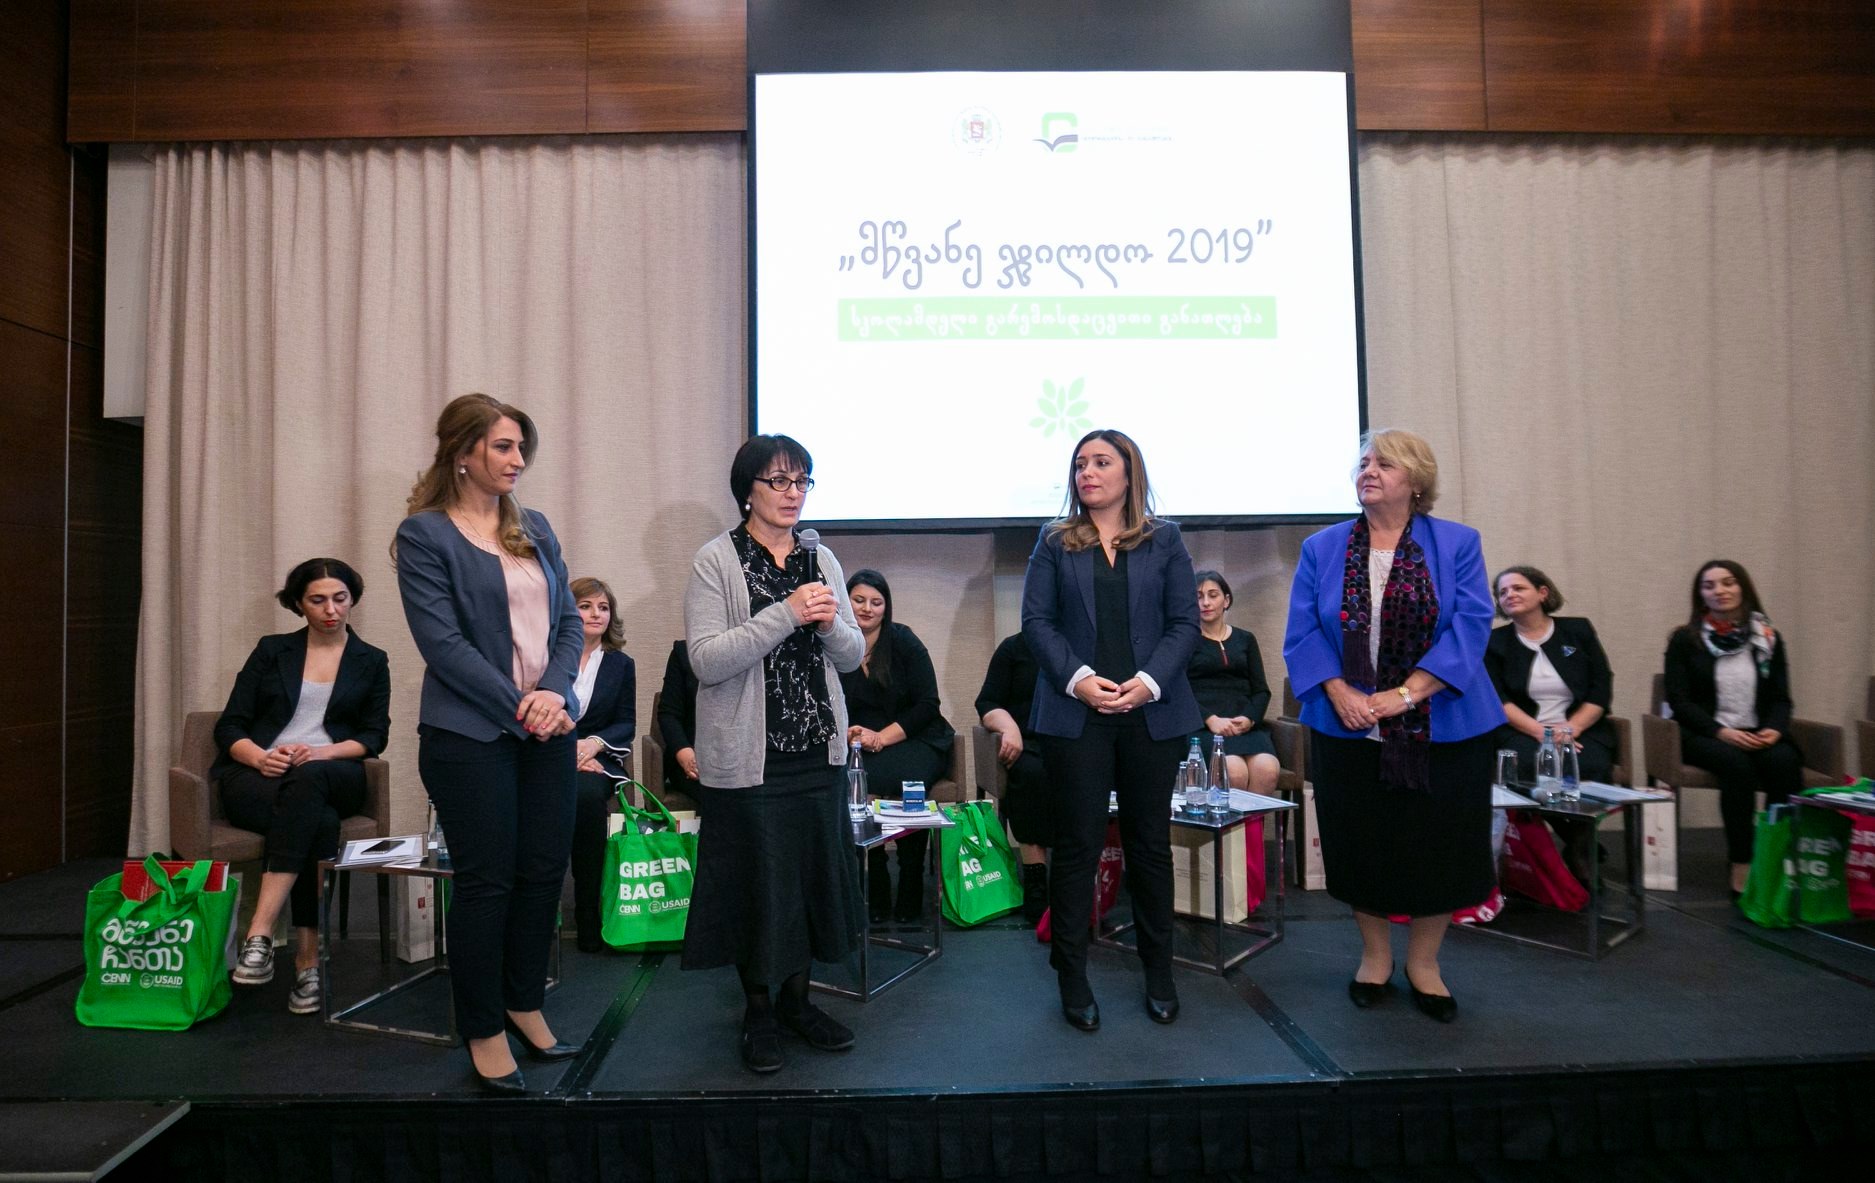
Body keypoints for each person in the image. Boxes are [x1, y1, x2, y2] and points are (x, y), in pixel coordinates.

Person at [394, 393, 583, 1094]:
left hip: (546, 728)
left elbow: (569, 623)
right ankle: (482, 1026)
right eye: (503, 446)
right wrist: (523, 708)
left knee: (542, 873)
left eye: (520, 447)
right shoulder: (425, 534)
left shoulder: (533, 526)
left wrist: (555, 694)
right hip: (469, 736)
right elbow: (443, 646)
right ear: (462, 453)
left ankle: (522, 1002)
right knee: (488, 881)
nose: (517, 459)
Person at [1282, 428, 1502, 1024]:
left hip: (1444, 725)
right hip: (1348, 724)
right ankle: (1375, 958)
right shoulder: (1322, 547)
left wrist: (1406, 695)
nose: (1368, 471)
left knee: (1438, 849)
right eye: (1363, 462)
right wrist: (1339, 691)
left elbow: (1472, 625)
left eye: (1384, 463)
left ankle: (1424, 965)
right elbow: (1302, 633)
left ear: (1417, 480)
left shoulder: (1457, 543)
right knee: (1364, 845)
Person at [681, 434, 867, 1074]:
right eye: (779, 481)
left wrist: (831, 623)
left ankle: (798, 1004)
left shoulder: (822, 557)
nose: (793, 494)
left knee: (811, 883)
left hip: (816, 752)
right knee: (757, 890)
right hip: (748, 758)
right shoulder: (716, 560)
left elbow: (852, 657)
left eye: (802, 481)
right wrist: (786, 613)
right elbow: (706, 660)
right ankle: (758, 1013)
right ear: (747, 490)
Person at [1022, 428, 1201, 1031]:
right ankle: (1072, 976)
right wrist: (1078, 680)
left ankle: (1159, 972)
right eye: (1080, 464)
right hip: (1077, 714)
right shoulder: (1054, 541)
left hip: (1152, 713)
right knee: (1078, 847)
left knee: (1150, 847)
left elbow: (1184, 624)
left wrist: (1148, 682)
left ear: (1130, 473)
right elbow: (1036, 622)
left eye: (1101, 462)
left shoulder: (1165, 539)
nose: (1087, 473)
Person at [219, 558, 390, 1014]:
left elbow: (374, 736)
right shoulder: (272, 651)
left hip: (334, 772)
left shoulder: (371, 660)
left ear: (352, 600)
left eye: (340, 598)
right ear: (299, 603)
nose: (331, 610)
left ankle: (260, 932)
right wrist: (261, 756)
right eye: (317, 600)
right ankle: (308, 961)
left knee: (310, 781)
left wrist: (320, 753)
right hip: (260, 778)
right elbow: (230, 724)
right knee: (318, 821)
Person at [1663, 559, 1804, 897]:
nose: (1720, 591)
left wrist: (1774, 729)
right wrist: (1721, 732)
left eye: (1728, 583)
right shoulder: (1685, 639)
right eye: (1709, 585)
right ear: (1700, 595)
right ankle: (1741, 859)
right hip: (1705, 734)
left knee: (1784, 763)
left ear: (1743, 587)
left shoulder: (1767, 638)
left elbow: (1781, 698)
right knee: (1736, 766)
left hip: (1757, 731)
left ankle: (1774, 854)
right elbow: (1679, 701)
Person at [839, 568, 956, 925]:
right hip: (859, 743)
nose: (867, 608)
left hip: (915, 737)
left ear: (886, 607)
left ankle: (910, 879)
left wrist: (881, 737)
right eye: (859, 600)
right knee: (857, 784)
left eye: (876, 602)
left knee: (907, 784)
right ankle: (874, 877)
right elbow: (824, 703)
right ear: (845, 601)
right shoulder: (835, 643)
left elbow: (928, 705)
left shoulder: (904, 641)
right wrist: (848, 732)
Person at [1485, 566, 1616, 882]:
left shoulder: (1578, 630)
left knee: (1590, 764)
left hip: (1580, 729)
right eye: (1503, 592)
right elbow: (1498, 699)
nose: (1509, 595)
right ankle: (1580, 845)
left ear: (1543, 593)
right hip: (1523, 730)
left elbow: (1601, 686)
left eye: (1518, 588)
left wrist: (1571, 729)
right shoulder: (1495, 641)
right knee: (1527, 766)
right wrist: (1543, 733)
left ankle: (1579, 847)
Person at [566, 576, 637, 953]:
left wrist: (592, 746)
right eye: (585, 606)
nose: (596, 614)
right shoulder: (544, 658)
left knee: (587, 797)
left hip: (599, 761)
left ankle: (589, 914)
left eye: (603, 607)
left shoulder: (621, 664)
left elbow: (626, 723)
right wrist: (569, 753)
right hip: (548, 756)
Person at [974, 631, 1054, 924]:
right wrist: (1009, 727)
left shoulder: (1084, 644)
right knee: (1032, 775)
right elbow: (987, 702)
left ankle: (1079, 878)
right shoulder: (1013, 648)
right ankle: (1035, 880)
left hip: (1076, 743)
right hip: (1028, 742)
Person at [1188, 570, 1281, 795]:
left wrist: (1249, 718)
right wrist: (1210, 720)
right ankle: (1230, 822)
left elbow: (1261, 691)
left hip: (1244, 728)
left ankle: (1254, 822)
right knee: (1234, 771)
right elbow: (1178, 691)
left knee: (1268, 769)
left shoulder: (1245, 639)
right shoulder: (1185, 641)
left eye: (1213, 595)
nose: (1206, 603)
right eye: (1199, 596)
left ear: (1226, 600)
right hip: (1204, 728)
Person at [655, 640, 701, 799]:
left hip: (749, 762)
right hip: (693, 755)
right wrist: (686, 756)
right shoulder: (684, 652)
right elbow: (668, 714)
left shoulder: (757, 651)